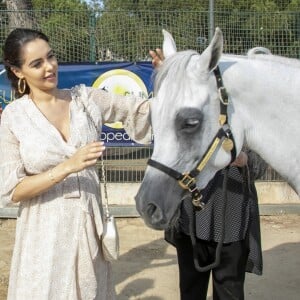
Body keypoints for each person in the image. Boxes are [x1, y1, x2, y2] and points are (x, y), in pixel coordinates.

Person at [0, 28, 154, 300]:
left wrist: (168, 78)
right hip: (42, 235)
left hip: (86, 228)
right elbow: (11, 191)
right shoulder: (14, 117)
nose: (49, 67)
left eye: (51, 57)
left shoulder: (86, 100)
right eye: (37, 64)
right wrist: (67, 167)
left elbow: (142, 111)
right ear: (17, 71)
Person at [150, 49, 267, 300]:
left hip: (232, 219)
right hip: (192, 219)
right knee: (191, 291)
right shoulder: (196, 113)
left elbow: (261, 166)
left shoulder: (245, 115)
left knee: (230, 292)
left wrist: (244, 159)